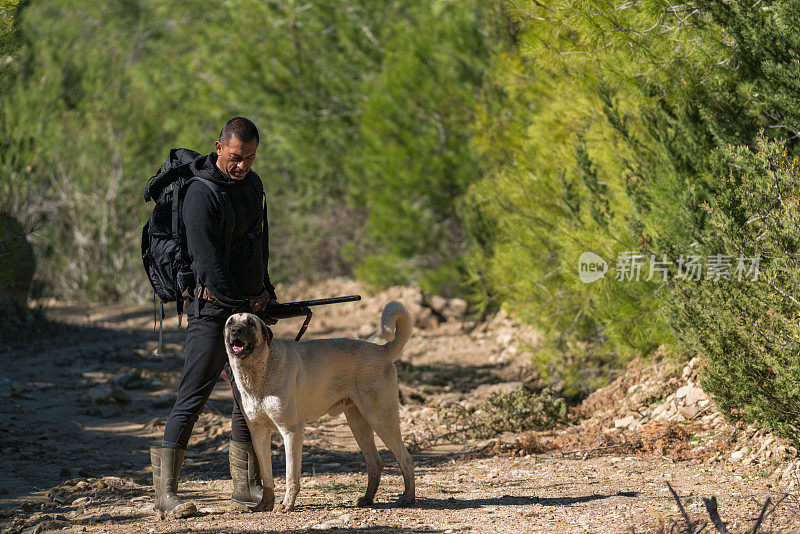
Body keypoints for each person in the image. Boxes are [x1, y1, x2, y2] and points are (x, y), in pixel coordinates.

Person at [150, 117, 277, 519]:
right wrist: (243, 307)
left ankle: (245, 487)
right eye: (237, 157)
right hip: (211, 313)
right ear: (219, 148)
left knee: (247, 399)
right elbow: (208, 266)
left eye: (251, 157)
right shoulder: (199, 195)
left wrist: (267, 293)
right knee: (192, 397)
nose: (244, 165)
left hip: (247, 310)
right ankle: (165, 495)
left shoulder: (253, 186)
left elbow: (260, 247)